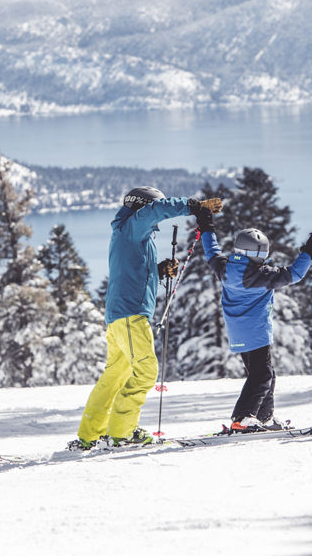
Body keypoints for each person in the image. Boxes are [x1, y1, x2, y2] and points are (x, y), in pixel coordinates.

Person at [70, 186, 222, 450]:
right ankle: (122, 433)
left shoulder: (129, 234)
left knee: (115, 376)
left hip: (120, 315)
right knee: (146, 371)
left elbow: (132, 272)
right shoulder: (133, 226)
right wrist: (195, 206)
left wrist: (159, 270)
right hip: (130, 315)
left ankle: (89, 435)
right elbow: (156, 210)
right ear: (141, 207)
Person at [197, 206, 312, 432]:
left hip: (238, 332)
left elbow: (212, 252)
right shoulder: (261, 275)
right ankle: (242, 418)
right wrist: (310, 249)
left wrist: (206, 225)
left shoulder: (225, 268)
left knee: (266, 374)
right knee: (262, 375)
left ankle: (264, 417)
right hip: (256, 332)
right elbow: (294, 274)